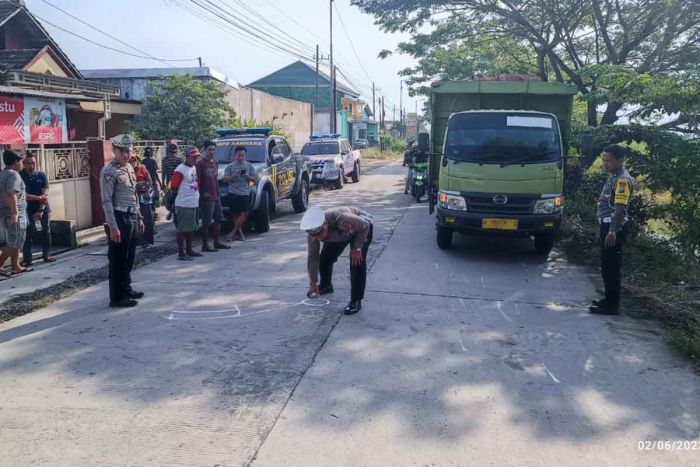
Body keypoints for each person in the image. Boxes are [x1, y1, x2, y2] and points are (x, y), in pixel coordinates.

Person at [301, 205, 374, 315]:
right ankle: (326, 285)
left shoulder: (342, 218)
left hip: (361, 229)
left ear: (325, 224)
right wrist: (313, 281)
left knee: (356, 262)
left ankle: (356, 300)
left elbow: (365, 225)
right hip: (341, 233)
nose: (317, 238)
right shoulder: (313, 235)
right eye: (313, 236)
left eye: (318, 234)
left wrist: (357, 247)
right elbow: (313, 258)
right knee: (325, 258)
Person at [589, 144, 635, 316]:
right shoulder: (613, 176)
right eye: (603, 160)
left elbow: (620, 209)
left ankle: (612, 305)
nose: (605, 164)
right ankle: (608, 299)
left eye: (608, 160)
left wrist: (612, 231)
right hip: (606, 225)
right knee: (606, 266)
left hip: (614, 227)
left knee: (612, 267)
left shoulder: (622, 180)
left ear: (620, 160)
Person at [100, 134, 145, 308]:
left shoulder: (128, 168)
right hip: (119, 217)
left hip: (132, 215)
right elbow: (107, 201)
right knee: (118, 259)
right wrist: (113, 226)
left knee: (129, 257)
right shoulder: (109, 171)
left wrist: (139, 217)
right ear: (114, 151)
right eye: (122, 151)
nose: (126, 154)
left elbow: (133, 195)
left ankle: (126, 288)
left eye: (128, 151)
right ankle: (117, 297)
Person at [20, 154, 55, 266]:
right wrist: (37, 198)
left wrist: (40, 210)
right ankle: (27, 258)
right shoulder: (19, 176)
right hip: (27, 209)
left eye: (34, 163)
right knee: (27, 234)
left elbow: (45, 193)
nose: (32, 165)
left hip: (42, 207)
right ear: (24, 164)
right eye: (29, 163)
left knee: (46, 231)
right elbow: (22, 195)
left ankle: (46, 254)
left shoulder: (41, 175)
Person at [0, 150, 29, 277]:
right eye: (21, 162)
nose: (21, 164)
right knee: (15, 242)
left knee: (17, 240)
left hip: (8, 212)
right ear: (15, 162)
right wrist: (15, 213)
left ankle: (16, 266)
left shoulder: (4, 174)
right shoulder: (13, 175)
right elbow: (11, 193)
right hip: (14, 213)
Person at [169, 146, 202, 260]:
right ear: (187, 157)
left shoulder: (193, 168)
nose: (195, 159)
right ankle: (181, 253)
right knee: (182, 229)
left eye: (196, 157)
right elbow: (173, 186)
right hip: (183, 203)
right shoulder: (180, 170)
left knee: (191, 228)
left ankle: (189, 250)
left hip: (193, 202)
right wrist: (171, 202)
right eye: (193, 157)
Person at [197, 140, 229, 252]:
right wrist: (202, 193)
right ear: (205, 150)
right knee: (206, 222)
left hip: (216, 195)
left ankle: (217, 242)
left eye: (214, 149)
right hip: (207, 196)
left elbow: (215, 179)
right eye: (209, 149)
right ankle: (204, 244)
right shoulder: (200, 164)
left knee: (219, 219)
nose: (212, 151)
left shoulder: (215, 162)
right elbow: (198, 181)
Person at [222, 146, 256, 241]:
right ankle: (240, 234)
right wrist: (233, 175)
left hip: (245, 192)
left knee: (245, 213)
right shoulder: (230, 167)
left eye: (243, 155)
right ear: (235, 155)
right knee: (236, 215)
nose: (241, 157)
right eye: (239, 155)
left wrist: (248, 177)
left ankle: (232, 233)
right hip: (233, 192)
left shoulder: (249, 166)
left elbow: (254, 180)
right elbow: (225, 180)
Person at [130, 154, 155, 248]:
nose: (132, 163)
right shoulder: (127, 170)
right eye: (130, 161)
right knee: (135, 220)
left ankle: (147, 240)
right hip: (133, 198)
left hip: (144, 197)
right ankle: (138, 241)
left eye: (133, 161)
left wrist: (143, 185)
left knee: (148, 219)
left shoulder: (142, 169)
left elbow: (149, 182)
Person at [162, 143, 183, 221]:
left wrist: (162, 183)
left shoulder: (165, 160)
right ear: (176, 151)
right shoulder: (180, 160)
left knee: (170, 198)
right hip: (178, 182)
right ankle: (176, 214)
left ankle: (172, 211)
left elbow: (164, 172)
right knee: (177, 198)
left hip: (169, 183)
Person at [141, 147, 163, 219]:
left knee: (147, 199)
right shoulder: (153, 161)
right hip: (153, 182)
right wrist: (160, 183)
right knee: (153, 198)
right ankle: (153, 213)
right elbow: (156, 173)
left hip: (145, 182)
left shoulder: (143, 161)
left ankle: (148, 214)